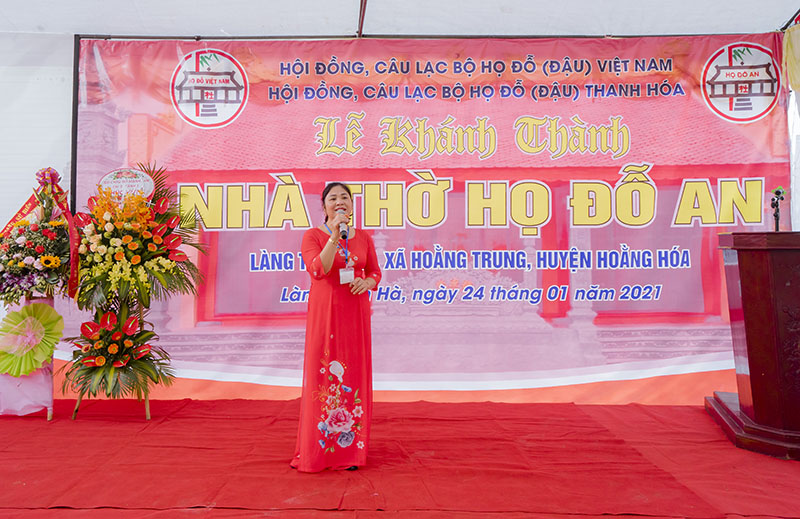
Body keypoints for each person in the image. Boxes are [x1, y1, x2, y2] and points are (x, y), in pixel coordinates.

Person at [291, 182, 381, 472]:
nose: (340, 202)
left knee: (353, 373)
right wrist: (334, 237)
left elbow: (374, 271)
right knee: (325, 374)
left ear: (352, 204)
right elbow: (318, 270)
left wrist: (367, 282)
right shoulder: (313, 236)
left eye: (345, 197)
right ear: (324, 205)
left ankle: (350, 452)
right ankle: (319, 450)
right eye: (333, 198)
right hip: (326, 312)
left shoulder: (364, 237)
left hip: (355, 312)